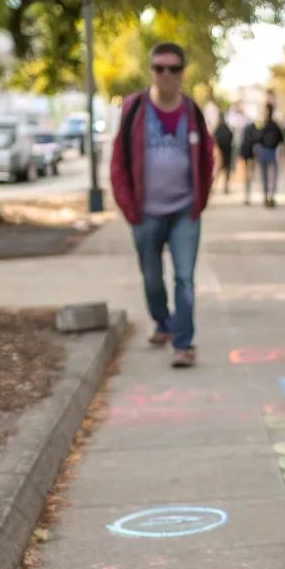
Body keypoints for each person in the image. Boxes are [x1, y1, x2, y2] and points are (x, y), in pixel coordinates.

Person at [110, 41, 214, 368]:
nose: (166, 75)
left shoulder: (192, 112)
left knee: (184, 278)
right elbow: (118, 163)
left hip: (185, 210)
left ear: (182, 73)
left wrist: (200, 202)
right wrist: (130, 209)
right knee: (152, 277)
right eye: (159, 68)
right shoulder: (134, 109)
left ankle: (183, 344)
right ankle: (163, 321)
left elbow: (207, 160)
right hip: (146, 211)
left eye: (173, 68)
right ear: (151, 71)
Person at [255, 105, 285, 207]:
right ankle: (270, 197)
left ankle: (267, 197)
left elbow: (257, 139)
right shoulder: (275, 125)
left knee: (266, 176)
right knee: (272, 176)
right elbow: (281, 140)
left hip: (265, 152)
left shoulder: (263, 125)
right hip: (271, 152)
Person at [214, 111, 234, 194]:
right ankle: (225, 187)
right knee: (226, 170)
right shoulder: (227, 128)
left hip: (221, 152)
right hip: (227, 151)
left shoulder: (218, 129)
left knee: (218, 169)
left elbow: (214, 140)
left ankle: (215, 186)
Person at [239, 119, 257, 204]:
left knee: (247, 177)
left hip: (247, 156)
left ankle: (247, 196)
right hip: (250, 157)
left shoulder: (246, 138)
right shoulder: (254, 135)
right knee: (249, 176)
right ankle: (247, 196)